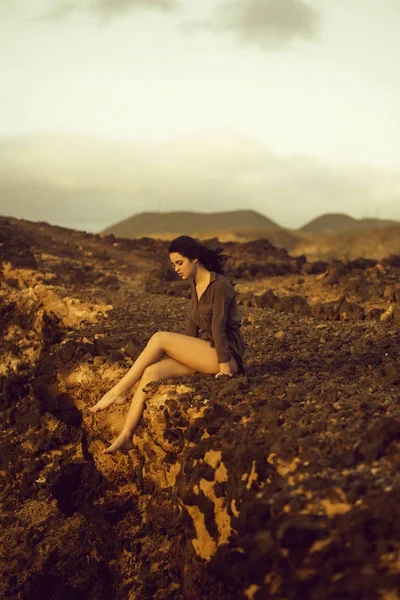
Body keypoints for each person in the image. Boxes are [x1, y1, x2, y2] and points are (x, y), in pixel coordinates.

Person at [89, 235, 245, 454]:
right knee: (152, 371)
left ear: (195, 259)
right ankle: (126, 436)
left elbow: (218, 328)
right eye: (173, 264)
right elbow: (192, 328)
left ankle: (117, 391)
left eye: (179, 263)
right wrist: (179, 354)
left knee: (159, 337)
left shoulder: (220, 285)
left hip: (226, 355)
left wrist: (225, 370)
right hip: (204, 351)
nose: (176, 268)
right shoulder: (195, 283)